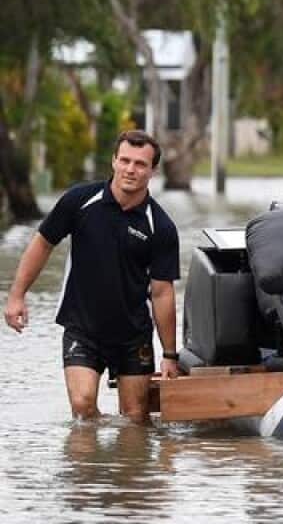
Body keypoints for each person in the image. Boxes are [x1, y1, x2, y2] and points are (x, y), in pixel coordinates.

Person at [4, 130, 181, 422]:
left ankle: (122, 465)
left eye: (140, 164)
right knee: (83, 408)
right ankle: (92, 465)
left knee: (135, 419)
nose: (130, 169)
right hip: (82, 327)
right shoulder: (79, 200)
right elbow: (42, 243)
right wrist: (16, 296)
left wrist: (170, 355)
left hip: (133, 334)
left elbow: (162, 293)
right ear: (113, 161)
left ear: (153, 171)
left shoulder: (160, 226)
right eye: (124, 160)